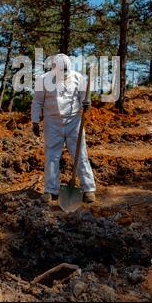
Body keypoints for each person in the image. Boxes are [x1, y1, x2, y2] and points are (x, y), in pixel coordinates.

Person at [31, 53, 96, 204]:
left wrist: (87, 104)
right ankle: (50, 190)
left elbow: (83, 99)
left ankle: (88, 189)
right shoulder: (43, 79)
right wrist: (35, 121)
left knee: (80, 154)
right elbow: (37, 101)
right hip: (52, 122)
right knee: (52, 156)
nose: (64, 74)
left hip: (74, 121)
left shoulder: (78, 78)